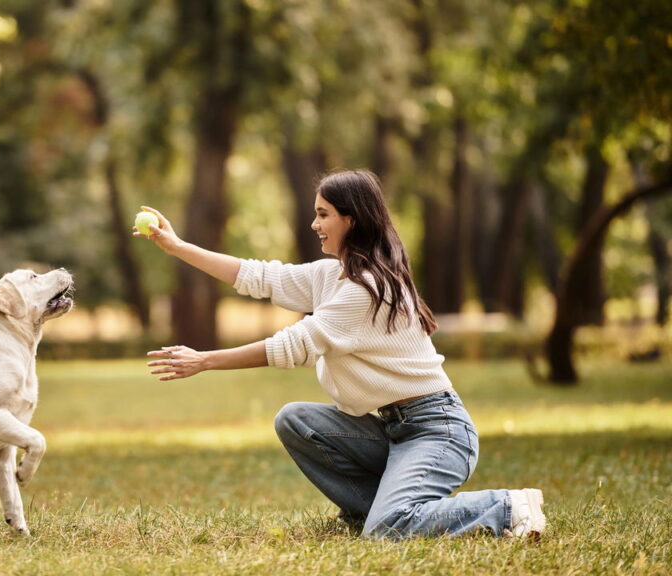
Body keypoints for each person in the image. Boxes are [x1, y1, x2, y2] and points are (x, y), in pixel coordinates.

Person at [134, 169, 546, 540]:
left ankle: (507, 506)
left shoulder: (364, 289)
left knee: (390, 528)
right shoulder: (330, 275)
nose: (315, 224)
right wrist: (178, 247)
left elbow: (293, 345)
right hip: (392, 430)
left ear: (352, 219)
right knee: (296, 420)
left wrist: (204, 360)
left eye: (324, 214)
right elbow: (255, 275)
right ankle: (373, 514)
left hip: (438, 431)